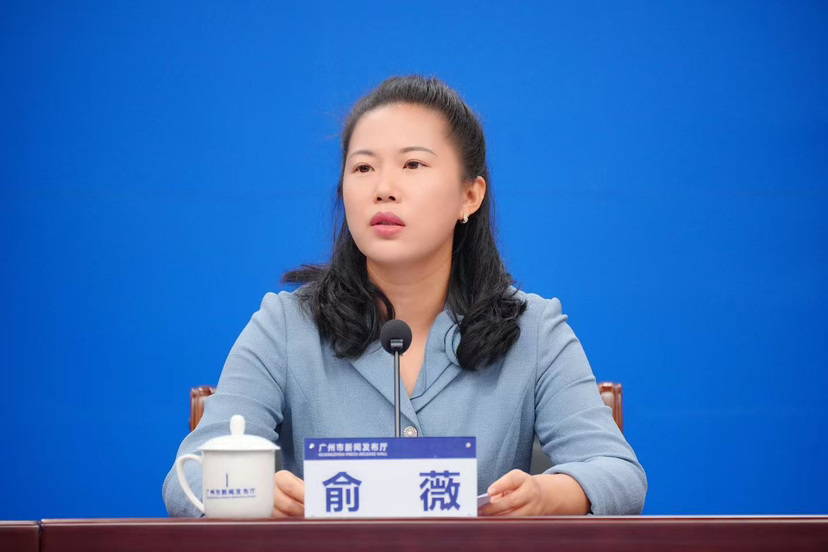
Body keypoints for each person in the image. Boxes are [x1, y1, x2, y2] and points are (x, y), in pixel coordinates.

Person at [162, 75, 647, 517]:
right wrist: (254, 495)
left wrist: (548, 494)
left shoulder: (533, 330)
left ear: (470, 196)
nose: (383, 189)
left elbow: (619, 474)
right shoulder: (286, 326)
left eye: (413, 164)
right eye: (363, 167)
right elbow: (187, 480)